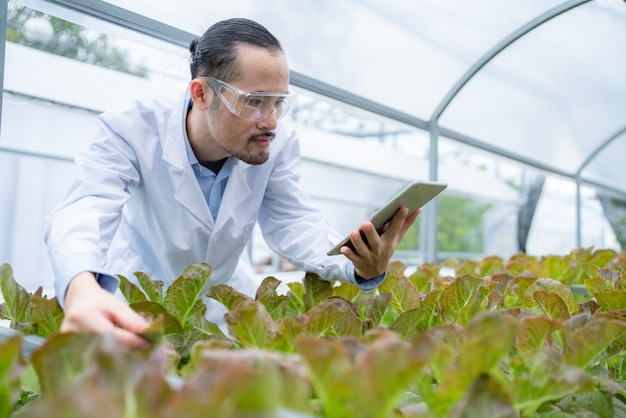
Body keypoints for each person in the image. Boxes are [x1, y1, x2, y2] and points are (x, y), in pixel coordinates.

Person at [44, 17, 419, 348]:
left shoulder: (277, 143)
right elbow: (85, 210)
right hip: (141, 299)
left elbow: (293, 221)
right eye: (255, 101)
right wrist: (81, 288)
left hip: (224, 303)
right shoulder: (132, 129)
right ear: (202, 93)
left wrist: (357, 265)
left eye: (277, 103)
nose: (271, 122)